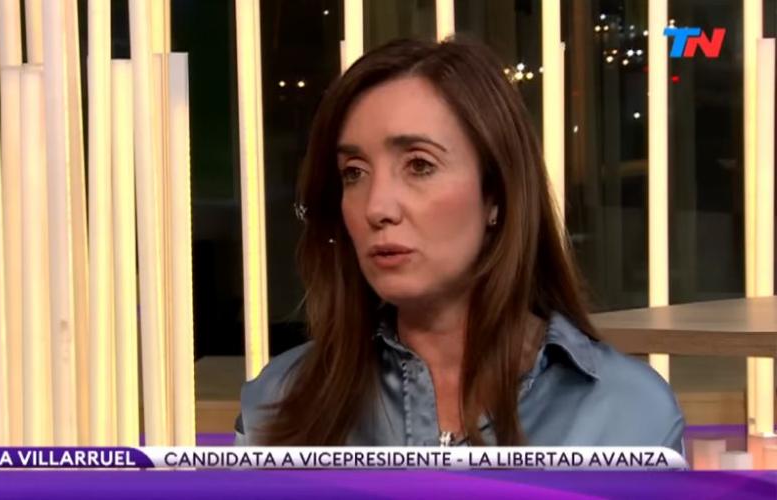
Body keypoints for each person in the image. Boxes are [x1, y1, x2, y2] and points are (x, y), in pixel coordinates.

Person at [235, 37, 685, 451]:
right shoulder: (279, 401)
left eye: (419, 165)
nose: (377, 207)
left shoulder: (629, 414)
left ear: (496, 194)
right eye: (354, 172)